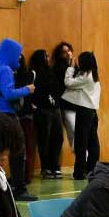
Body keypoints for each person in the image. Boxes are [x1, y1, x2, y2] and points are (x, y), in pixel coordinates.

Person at [0, 37, 37, 201]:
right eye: (18, 54)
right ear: (11, 53)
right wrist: (27, 89)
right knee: (18, 150)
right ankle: (19, 188)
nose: (20, 57)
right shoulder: (6, 69)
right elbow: (8, 94)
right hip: (7, 115)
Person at [63, 50, 102, 179]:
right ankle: (92, 169)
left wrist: (70, 67)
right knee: (93, 142)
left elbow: (68, 82)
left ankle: (79, 172)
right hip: (92, 112)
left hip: (84, 112)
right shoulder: (94, 75)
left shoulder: (86, 76)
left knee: (81, 143)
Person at [29, 47, 65, 178]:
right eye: (46, 56)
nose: (48, 59)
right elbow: (31, 90)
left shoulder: (51, 72)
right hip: (42, 110)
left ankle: (56, 166)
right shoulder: (34, 73)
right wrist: (34, 105)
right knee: (44, 139)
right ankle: (46, 167)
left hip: (55, 109)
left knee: (58, 138)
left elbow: (58, 88)